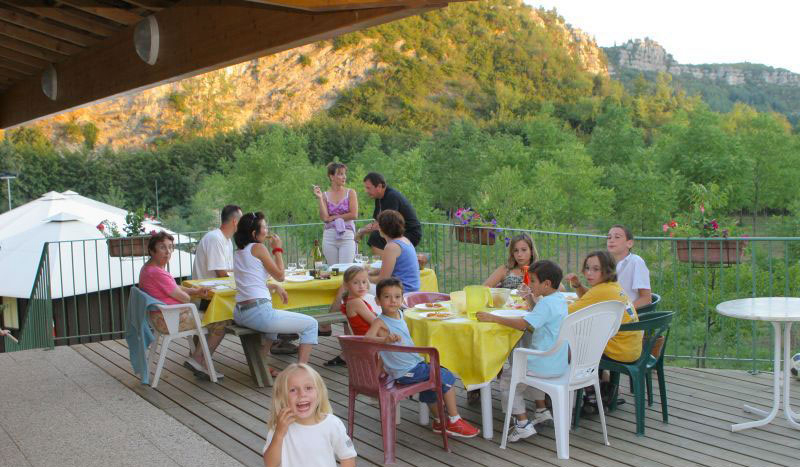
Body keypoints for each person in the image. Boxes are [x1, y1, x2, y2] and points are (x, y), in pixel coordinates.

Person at [365, 278, 479, 438]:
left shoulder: (400, 314)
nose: (393, 301)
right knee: (445, 376)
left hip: (414, 365)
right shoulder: (380, 322)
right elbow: (366, 340)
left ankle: (439, 421)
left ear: (402, 299)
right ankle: (455, 420)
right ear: (378, 301)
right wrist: (384, 340)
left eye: (397, 297)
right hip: (405, 371)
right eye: (387, 297)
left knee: (431, 384)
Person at [477, 260, 567, 442]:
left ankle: (522, 423)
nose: (529, 284)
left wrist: (493, 318)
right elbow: (539, 317)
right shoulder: (558, 299)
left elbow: (523, 324)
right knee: (524, 371)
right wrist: (530, 299)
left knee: (507, 380)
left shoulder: (546, 304)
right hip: (557, 361)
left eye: (532, 281)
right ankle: (541, 412)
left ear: (546, 284)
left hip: (542, 363)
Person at [232, 212, 318, 364]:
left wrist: (274, 286)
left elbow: (251, 282)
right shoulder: (258, 248)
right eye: (264, 227)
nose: (267, 231)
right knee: (312, 324)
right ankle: (301, 371)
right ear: (254, 233)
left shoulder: (238, 252)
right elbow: (280, 276)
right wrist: (277, 250)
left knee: (273, 328)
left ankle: (261, 365)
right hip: (258, 313)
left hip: (240, 313)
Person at [564, 250, 642, 407]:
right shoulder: (611, 286)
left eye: (596, 269)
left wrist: (542, 305)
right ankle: (603, 388)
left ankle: (591, 392)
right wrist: (578, 285)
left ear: (607, 270)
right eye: (587, 268)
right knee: (580, 340)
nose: (589, 273)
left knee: (568, 346)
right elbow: (591, 299)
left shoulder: (602, 290)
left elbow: (566, 313)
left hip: (619, 351)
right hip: (632, 348)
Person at [138, 232, 220, 378]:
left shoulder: (148, 268)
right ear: (152, 250)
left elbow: (174, 287)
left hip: (160, 317)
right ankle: (199, 359)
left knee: (209, 315)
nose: (168, 252)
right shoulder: (157, 273)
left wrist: (196, 291)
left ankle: (198, 358)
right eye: (162, 247)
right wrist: (193, 295)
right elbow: (184, 298)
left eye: (170, 247)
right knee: (220, 321)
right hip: (171, 319)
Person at [263, 363, 356, 467]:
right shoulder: (280, 427)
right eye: (293, 390)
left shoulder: (332, 424)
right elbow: (270, 464)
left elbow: (347, 457)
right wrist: (279, 434)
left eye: (308, 388)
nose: (302, 394)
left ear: (319, 392)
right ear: (282, 397)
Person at [188, 204, 241, 370]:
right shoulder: (215, 239)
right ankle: (200, 359)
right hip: (204, 297)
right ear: (235, 221)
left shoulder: (226, 240)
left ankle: (199, 356)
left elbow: (228, 271)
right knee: (242, 315)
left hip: (214, 294)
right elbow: (222, 273)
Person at [325, 266, 378, 367]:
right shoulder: (356, 302)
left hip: (369, 339)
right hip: (370, 343)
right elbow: (376, 322)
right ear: (346, 286)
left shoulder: (352, 299)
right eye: (355, 283)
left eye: (364, 282)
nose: (361, 286)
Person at [357, 172, 421, 254]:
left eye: (368, 188)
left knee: (375, 237)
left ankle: (390, 260)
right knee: (376, 237)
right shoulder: (379, 198)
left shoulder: (391, 196)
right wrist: (364, 230)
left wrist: (362, 231)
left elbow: (384, 224)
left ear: (379, 186)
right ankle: (391, 260)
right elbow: (377, 222)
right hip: (398, 232)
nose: (366, 191)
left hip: (410, 232)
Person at [313, 162, 358, 265]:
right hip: (329, 236)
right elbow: (325, 218)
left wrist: (334, 217)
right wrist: (320, 198)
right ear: (331, 176)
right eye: (340, 174)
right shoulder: (325, 195)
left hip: (347, 235)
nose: (344, 177)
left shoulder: (350, 192)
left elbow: (354, 214)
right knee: (333, 270)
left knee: (345, 269)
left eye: (344, 174)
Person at [368, 210, 420, 293]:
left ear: (383, 228)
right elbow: (396, 269)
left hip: (400, 292)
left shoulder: (391, 247)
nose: (378, 227)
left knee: (352, 285)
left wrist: (364, 278)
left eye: (379, 224)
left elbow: (383, 280)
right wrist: (373, 272)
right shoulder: (405, 240)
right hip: (411, 290)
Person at [605, 224, 652, 310]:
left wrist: (622, 312)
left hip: (625, 315)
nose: (611, 240)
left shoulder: (636, 262)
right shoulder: (603, 263)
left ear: (629, 243)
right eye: (609, 237)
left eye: (617, 237)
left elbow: (646, 299)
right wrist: (579, 285)